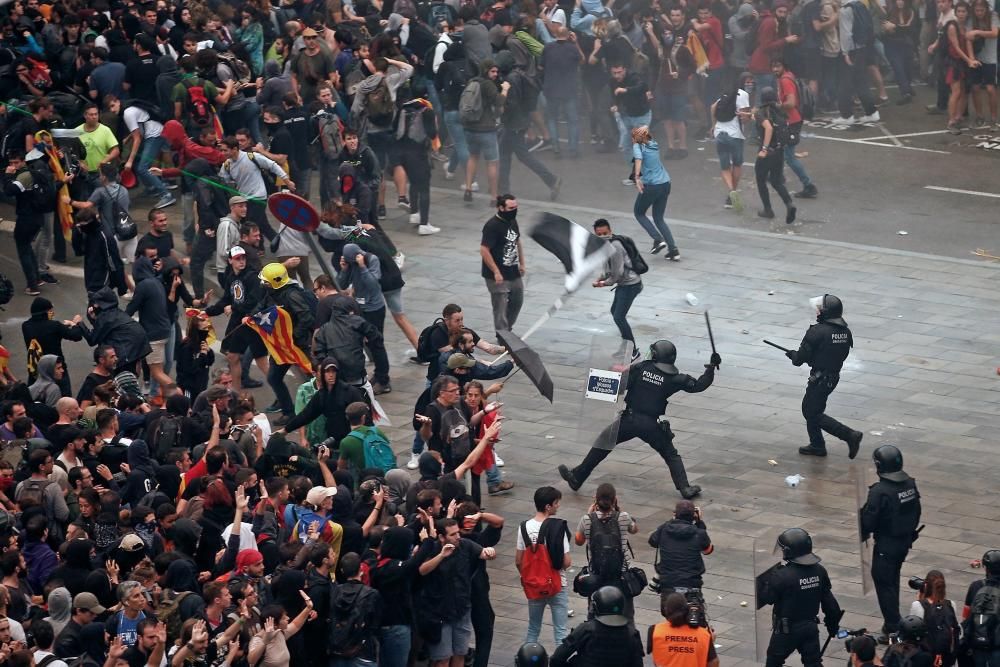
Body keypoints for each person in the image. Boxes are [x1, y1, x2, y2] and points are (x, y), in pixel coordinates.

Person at [559, 339, 719, 500]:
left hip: (629, 420)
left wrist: (605, 376)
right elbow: (699, 385)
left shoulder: (642, 368)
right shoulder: (675, 378)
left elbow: (621, 384)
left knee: (603, 444)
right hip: (651, 425)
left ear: (656, 356)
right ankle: (685, 488)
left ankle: (578, 477)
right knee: (671, 454)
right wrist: (711, 368)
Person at [787, 294, 864, 458]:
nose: (817, 313)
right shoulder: (845, 332)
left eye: (819, 311)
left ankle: (849, 435)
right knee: (814, 409)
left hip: (820, 378)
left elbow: (800, 359)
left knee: (811, 412)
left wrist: (794, 355)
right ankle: (817, 445)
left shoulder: (816, 332)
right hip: (833, 377)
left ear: (826, 313)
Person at [861, 444, 923, 643]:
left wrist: (862, 523)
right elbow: (917, 511)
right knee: (892, 579)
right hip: (904, 541)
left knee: (883, 580)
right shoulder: (909, 485)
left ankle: (893, 628)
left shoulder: (880, 491)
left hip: (886, 544)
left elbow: (869, 521)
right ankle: (893, 622)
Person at [757, 528, 843, 667]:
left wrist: (768, 580)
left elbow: (767, 597)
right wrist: (833, 625)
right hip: (810, 628)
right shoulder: (819, 571)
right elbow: (830, 604)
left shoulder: (782, 576)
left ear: (790, 551)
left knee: (773, 662)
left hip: (786, 631)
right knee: (813, 663)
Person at [574, 483, 639, 622]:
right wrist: (619, 510)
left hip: (597, 574)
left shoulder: (587, 519)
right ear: (614, 499)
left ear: (595, 500)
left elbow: (578, 541)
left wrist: (589, 513)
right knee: (626, 614)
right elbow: (634, 529)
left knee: (595, 614)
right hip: (621, 574)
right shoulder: (623, 516)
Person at [516, 486, 572, 645]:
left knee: (533, 628)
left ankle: (526, 659)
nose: (558, 505)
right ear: (548, 506)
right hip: (557, 585)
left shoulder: (523, 527)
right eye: (556, 503)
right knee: (560, 631)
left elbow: (519, 561)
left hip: (533, 585)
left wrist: (531, 575)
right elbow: (567, 562)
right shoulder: (557, 527)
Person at [550, 586, 644, 667]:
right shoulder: (632, 634)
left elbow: (557, 658)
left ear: (596, 607)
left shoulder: (586, 629)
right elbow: (637, 664)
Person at [592, 219, 643, 359]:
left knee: (619, 316)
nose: (602, 236)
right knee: (615, 312)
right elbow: (608, 269)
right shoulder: (605, 246)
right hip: (624, 284)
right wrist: (601, 278)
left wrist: (603, 283)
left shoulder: (615, 246)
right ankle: (625, 347)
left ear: (610, 231)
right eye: (599, 234)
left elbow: (617, 274)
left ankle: (633, 351)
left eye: (605, 233)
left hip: (630, 285)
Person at [648, 500, 713, 610]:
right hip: (692, 583)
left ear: (675, 514)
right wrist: (699, 523)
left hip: (669, 583)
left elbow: (652, 541)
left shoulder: (664, 529)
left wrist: (671, 521)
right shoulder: (699, 533)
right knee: (695, 618)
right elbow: (708, 550)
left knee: (670, 617)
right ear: (694, 515)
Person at [630, 127, 679, 260]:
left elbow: (639, 160)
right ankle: (673, 250)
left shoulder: (638, 147)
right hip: (665, 184)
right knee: (658, 218)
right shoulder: (654, 144)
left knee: (639, 213)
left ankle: (658, 239)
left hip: (652, 186)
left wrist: (637, 177)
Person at [771, 59, 818, 199]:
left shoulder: (785, 80)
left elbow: (790, 103)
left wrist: (776, 106)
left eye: (777, 66)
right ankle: (779, 177)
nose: (775, 69)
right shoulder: (788, 76)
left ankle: (809, 185)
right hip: (790, 120)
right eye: (773, 66)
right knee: (780, 150)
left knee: (790, 157)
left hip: (791, 122)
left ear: (784, 67)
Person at [481, 194, 525, 337]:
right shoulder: (492, 226)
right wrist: (496, 271)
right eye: (511, 208)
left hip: (512, 270)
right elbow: (484, 250)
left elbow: (517, 241)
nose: (514, 210)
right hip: (496, 274)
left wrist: (522, 263)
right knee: (500, 306)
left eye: (516, 207)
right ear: (501, 208)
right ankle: (503, 336)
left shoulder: (513, 221)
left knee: (517, 300)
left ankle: (507, 329)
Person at [753, 87, 797, 224]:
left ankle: (768, 209)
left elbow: (769, 128)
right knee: (776, 181)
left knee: (761, 180)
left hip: (767, 153)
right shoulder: (779, 112)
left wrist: (764, 149)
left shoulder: (762, 112)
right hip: (779, 152)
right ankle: (789, 203)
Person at [711, 75, 752, 212]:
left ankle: (731, 190)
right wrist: (749, 116)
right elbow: (745, 118)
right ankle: (732, 192)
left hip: (720, 133)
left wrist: (713, 125)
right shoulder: (743, 94)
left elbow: (713, 108)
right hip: (735, 135)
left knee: (724, 166)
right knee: (737, 164)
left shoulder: (724, 94)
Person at [648, 592, 719, 667]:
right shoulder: (703, 634)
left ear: (666, 611)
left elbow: (657, 656)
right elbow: (714, 662)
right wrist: (710, 642)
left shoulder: (655, 630)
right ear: (687, 610)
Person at [963, 550, 1000, 667]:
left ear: (986, 568)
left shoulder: (976, 586)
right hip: (997, 646)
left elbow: (966, 615)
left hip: (977, 643)